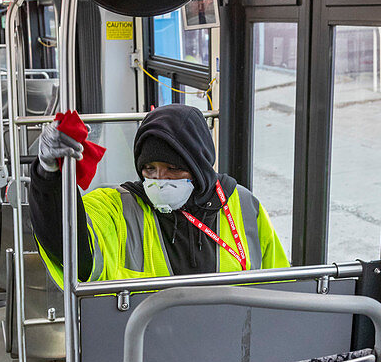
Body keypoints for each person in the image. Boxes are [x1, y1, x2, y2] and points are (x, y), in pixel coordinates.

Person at [30, 104, 288, 285]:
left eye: (173, 169)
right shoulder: (118, 208)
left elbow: (281, 283)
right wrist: (49, 176)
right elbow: (67, 243)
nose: (160, 181)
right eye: (149, 169)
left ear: (199, 167)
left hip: (235, 350)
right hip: (147, 353)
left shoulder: (242, 204)